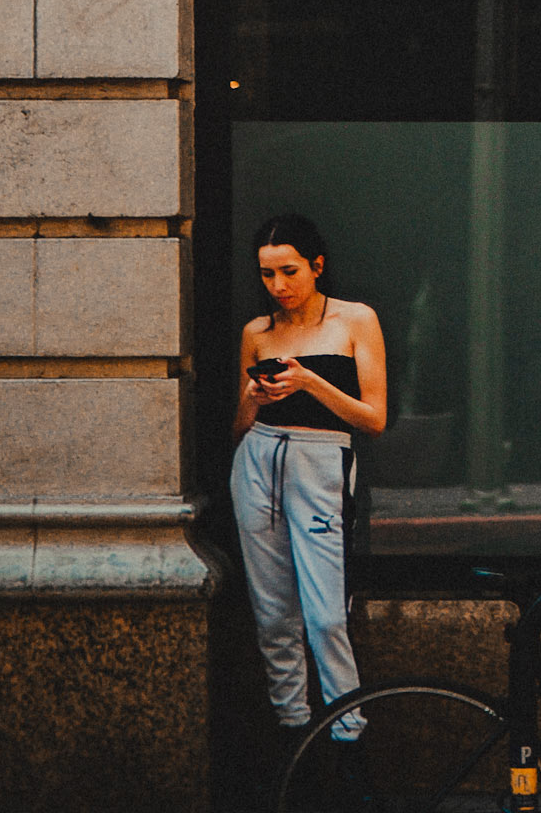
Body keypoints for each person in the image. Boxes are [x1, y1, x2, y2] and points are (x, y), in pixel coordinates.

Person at [232, 213, 387, 796]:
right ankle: (295, 744)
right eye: (267, 274)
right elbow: (238, 426)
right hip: (259, 458)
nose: (278, 285)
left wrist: (309, 383)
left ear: (317, 266)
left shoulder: (354, 320)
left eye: (289, 271)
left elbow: (374, 419)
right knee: (274, 615)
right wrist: (254, 398)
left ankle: (350, 745)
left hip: (323, 462)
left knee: (325, 615)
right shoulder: (257, 331)